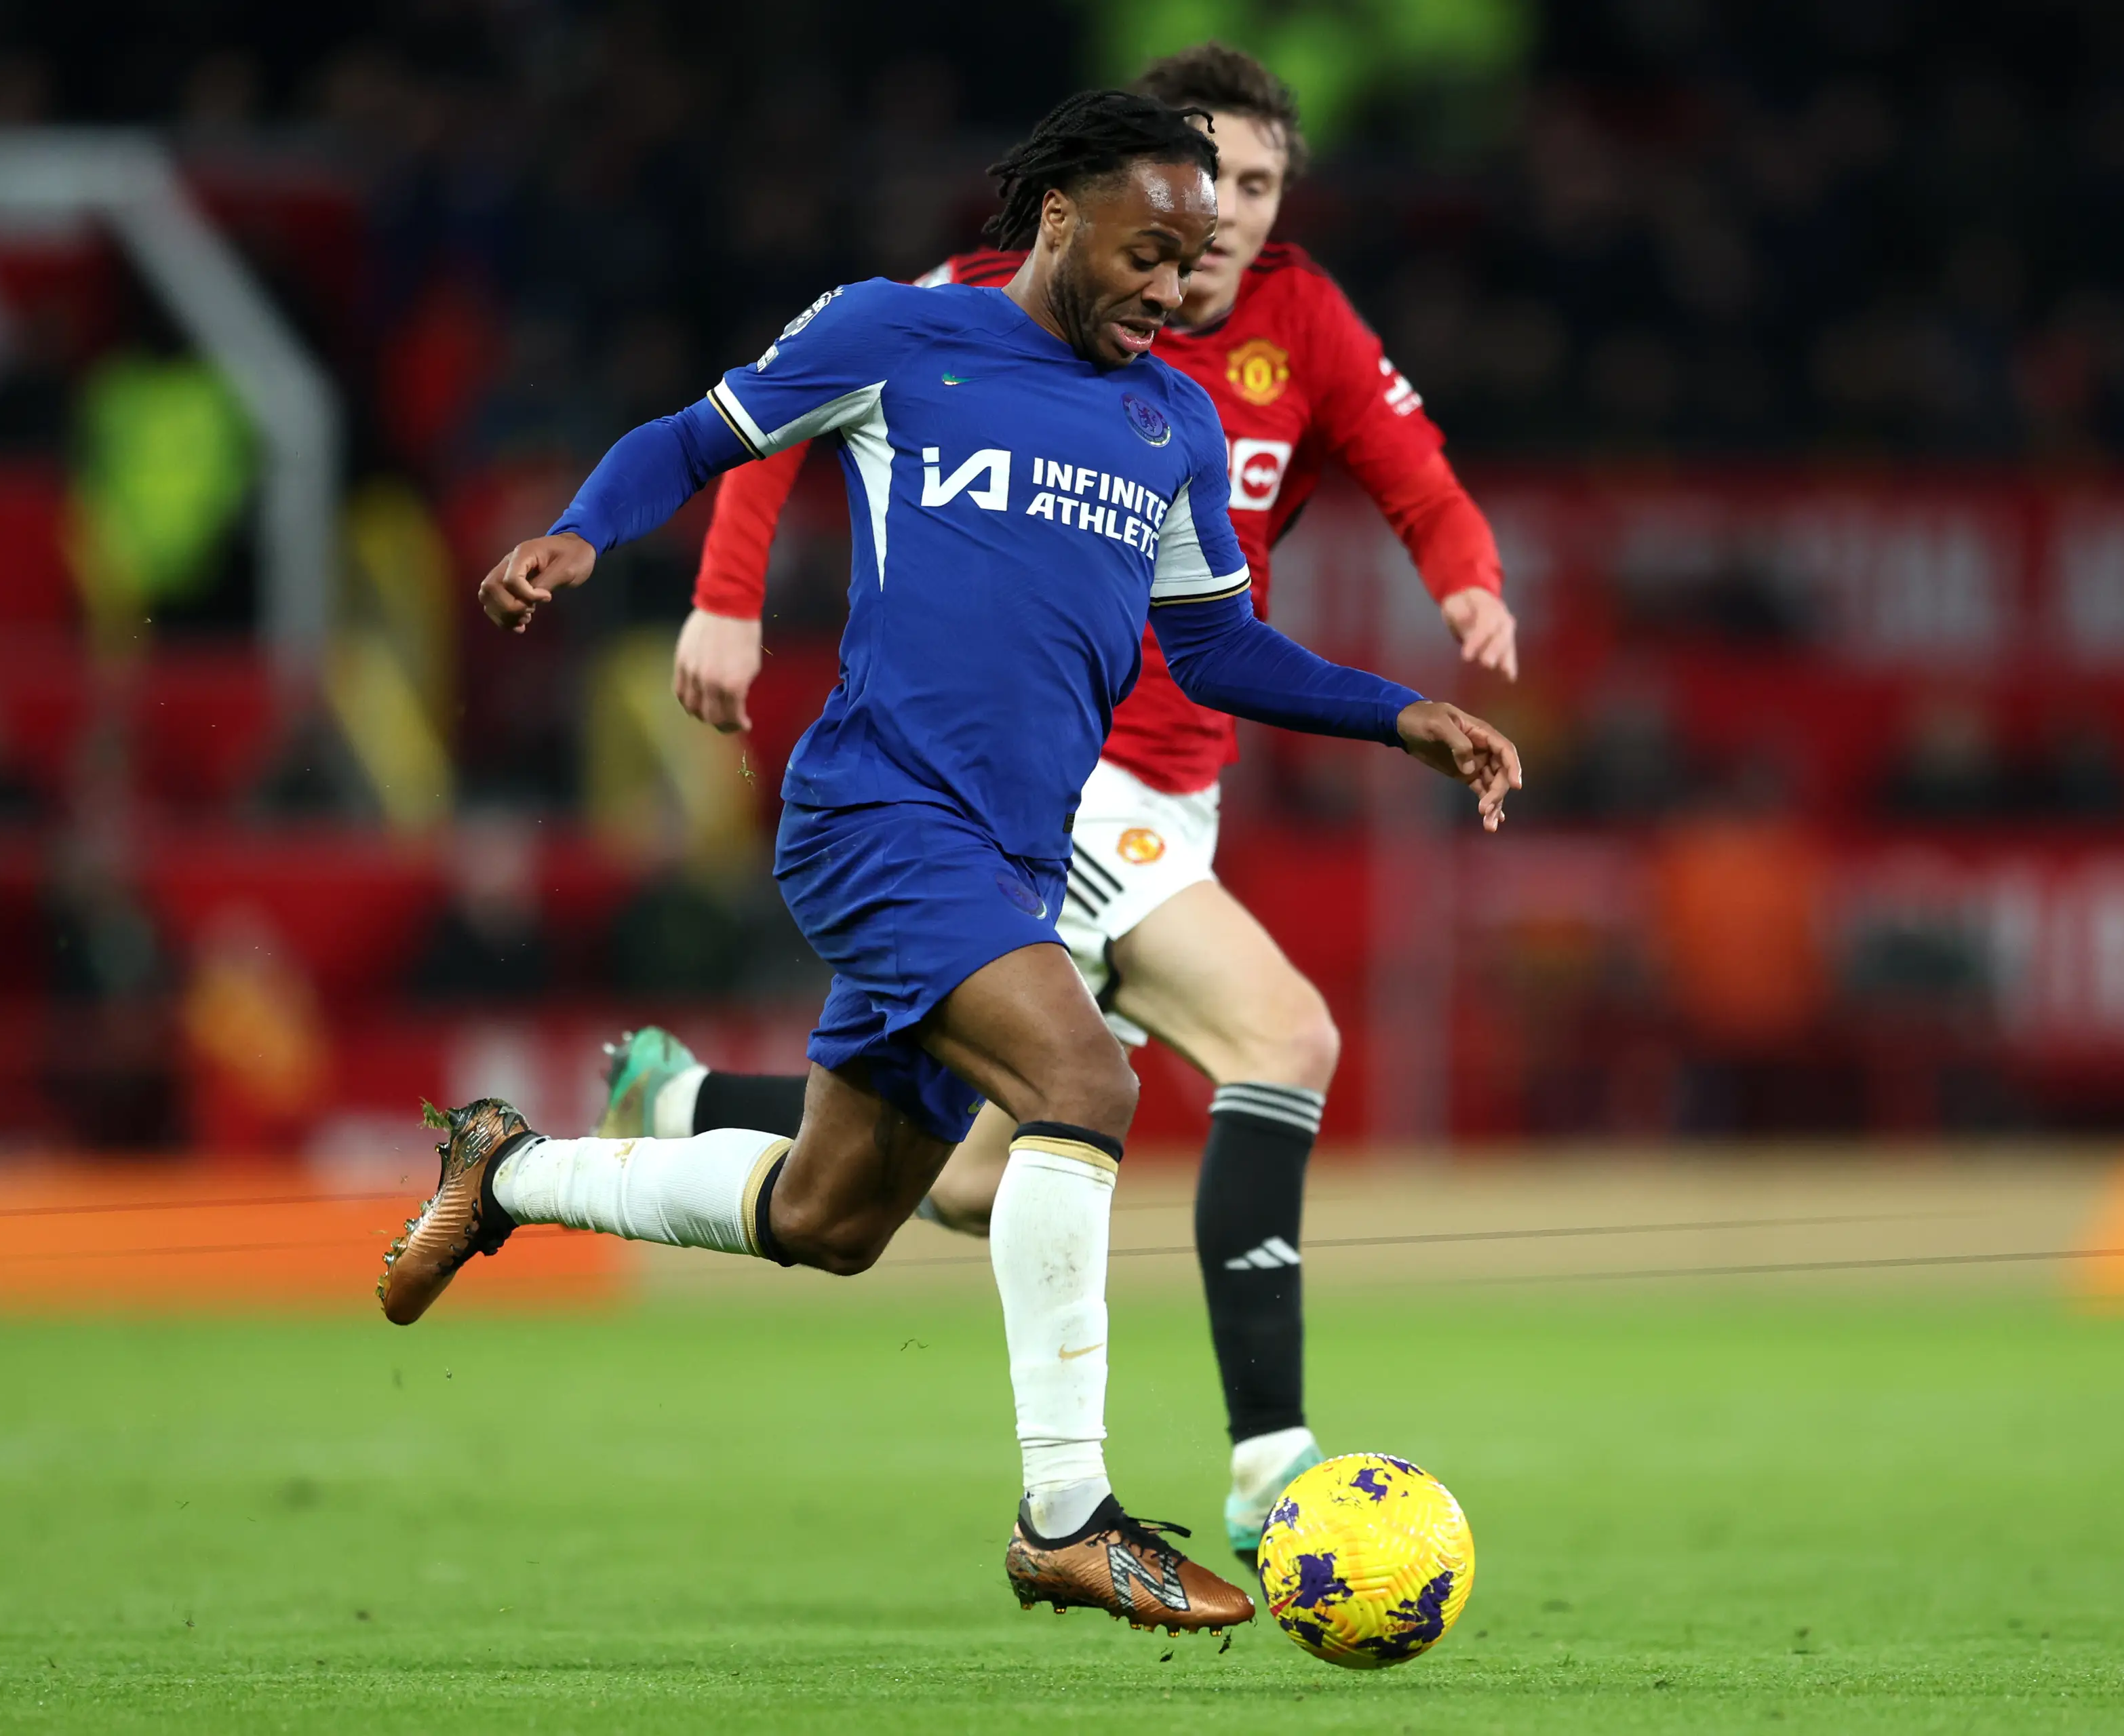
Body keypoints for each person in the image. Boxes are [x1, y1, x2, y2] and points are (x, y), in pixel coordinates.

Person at [376, 89, 1523, 1638]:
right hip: (876, 816)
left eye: (1195, 264)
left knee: (833, 1215)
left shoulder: (1170, 421)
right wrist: (587, 532)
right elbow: (701, 436)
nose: (1173, 288)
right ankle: (1068, 1517)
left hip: (1014, 856)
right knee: (1087, 1085)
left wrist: (1405, 718)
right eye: (1148, 250)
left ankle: (505, 1165)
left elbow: (1220, 643)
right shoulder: (899, 336)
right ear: (1058, 220)